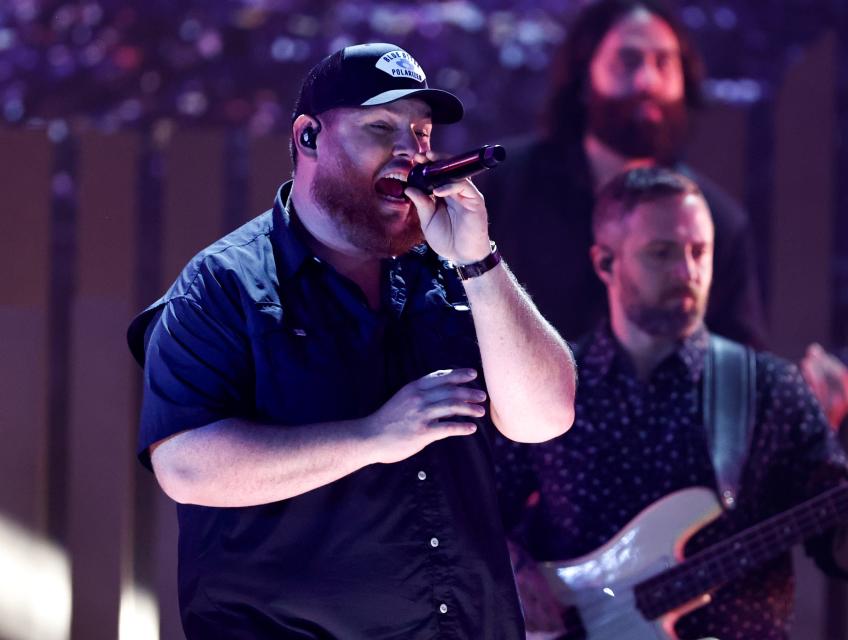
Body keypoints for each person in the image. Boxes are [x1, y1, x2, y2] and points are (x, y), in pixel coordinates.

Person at [126, 42, 576, 639]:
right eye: (380, 127)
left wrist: (479, 261)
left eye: (420, 132)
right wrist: (372, 437)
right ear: (309, 137)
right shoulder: (224, 284)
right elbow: (185, 468)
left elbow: (546, 417)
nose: (409, 152)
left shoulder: (453, 270)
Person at [493, 167, 848, 640]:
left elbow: (841, 551)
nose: (687, 273)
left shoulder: (771, 389)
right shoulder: (552, 384)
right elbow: (476, 511)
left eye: (698, 252)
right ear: (606, 263)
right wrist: (516, 576)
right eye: (662, 253)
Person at [481, 0, 848, 426]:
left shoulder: (718, 219)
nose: (647, 81)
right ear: (585, 76)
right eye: (628, 61)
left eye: (664, 63)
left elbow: (732, 373)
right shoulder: (503, 185)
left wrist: (799, 415)